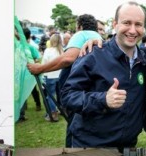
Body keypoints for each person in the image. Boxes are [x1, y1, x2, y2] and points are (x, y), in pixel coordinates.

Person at [61, 2, 146, 147]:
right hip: (91, 146)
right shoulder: (93, 54)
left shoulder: (145, 59)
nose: (133, 30)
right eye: (127, 23)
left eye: (138, 24)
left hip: (128, 146)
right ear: (115, 24)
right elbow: (67, 96)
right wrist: (102, 99)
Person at [26, 14, 101, 146]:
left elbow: (68, 58)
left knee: (73, 129)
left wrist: (40, 69)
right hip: (93, 92)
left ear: (80, 26)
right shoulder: (98, 37)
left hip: (77, 92)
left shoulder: (81, 34)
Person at [42, 33, 64, 122]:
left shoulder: (48, 50)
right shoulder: (62, 51)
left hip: (50, 75)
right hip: (60, 75)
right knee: (60, 94)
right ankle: (63, 110)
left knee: (50, 96)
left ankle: (53, 113)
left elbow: (44, 64)